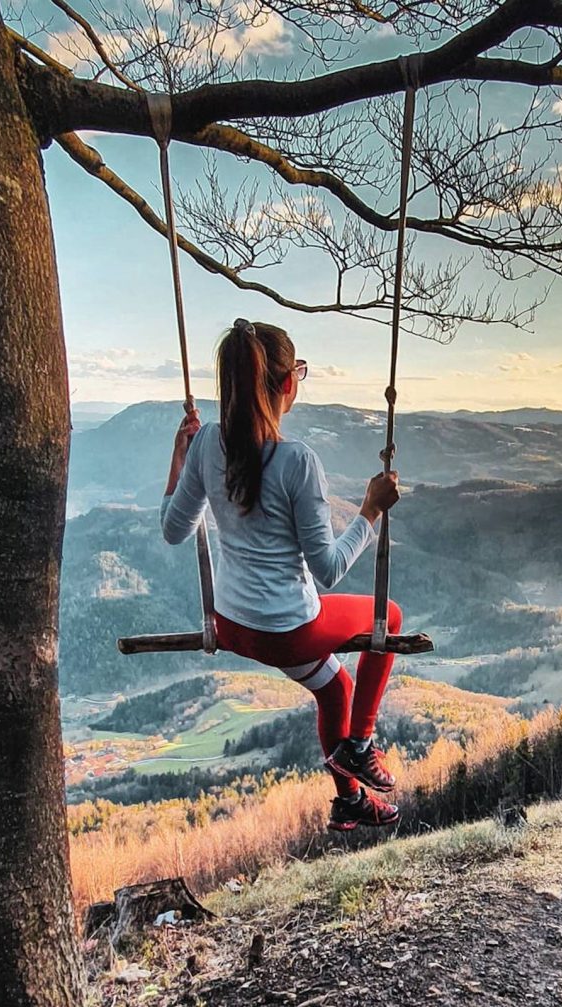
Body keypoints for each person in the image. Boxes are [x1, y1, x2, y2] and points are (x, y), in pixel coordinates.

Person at [160, 318, 403, 832]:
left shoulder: (205, 444)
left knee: (336, 687)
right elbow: (330, 570)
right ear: (288, 383)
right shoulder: (297, 461)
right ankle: (360, 743)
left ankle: (350, 801)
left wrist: (178, 460)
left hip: (233, 627)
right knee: (392, 616)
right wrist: (370, 511)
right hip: (288, 632)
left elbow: (172, 529)